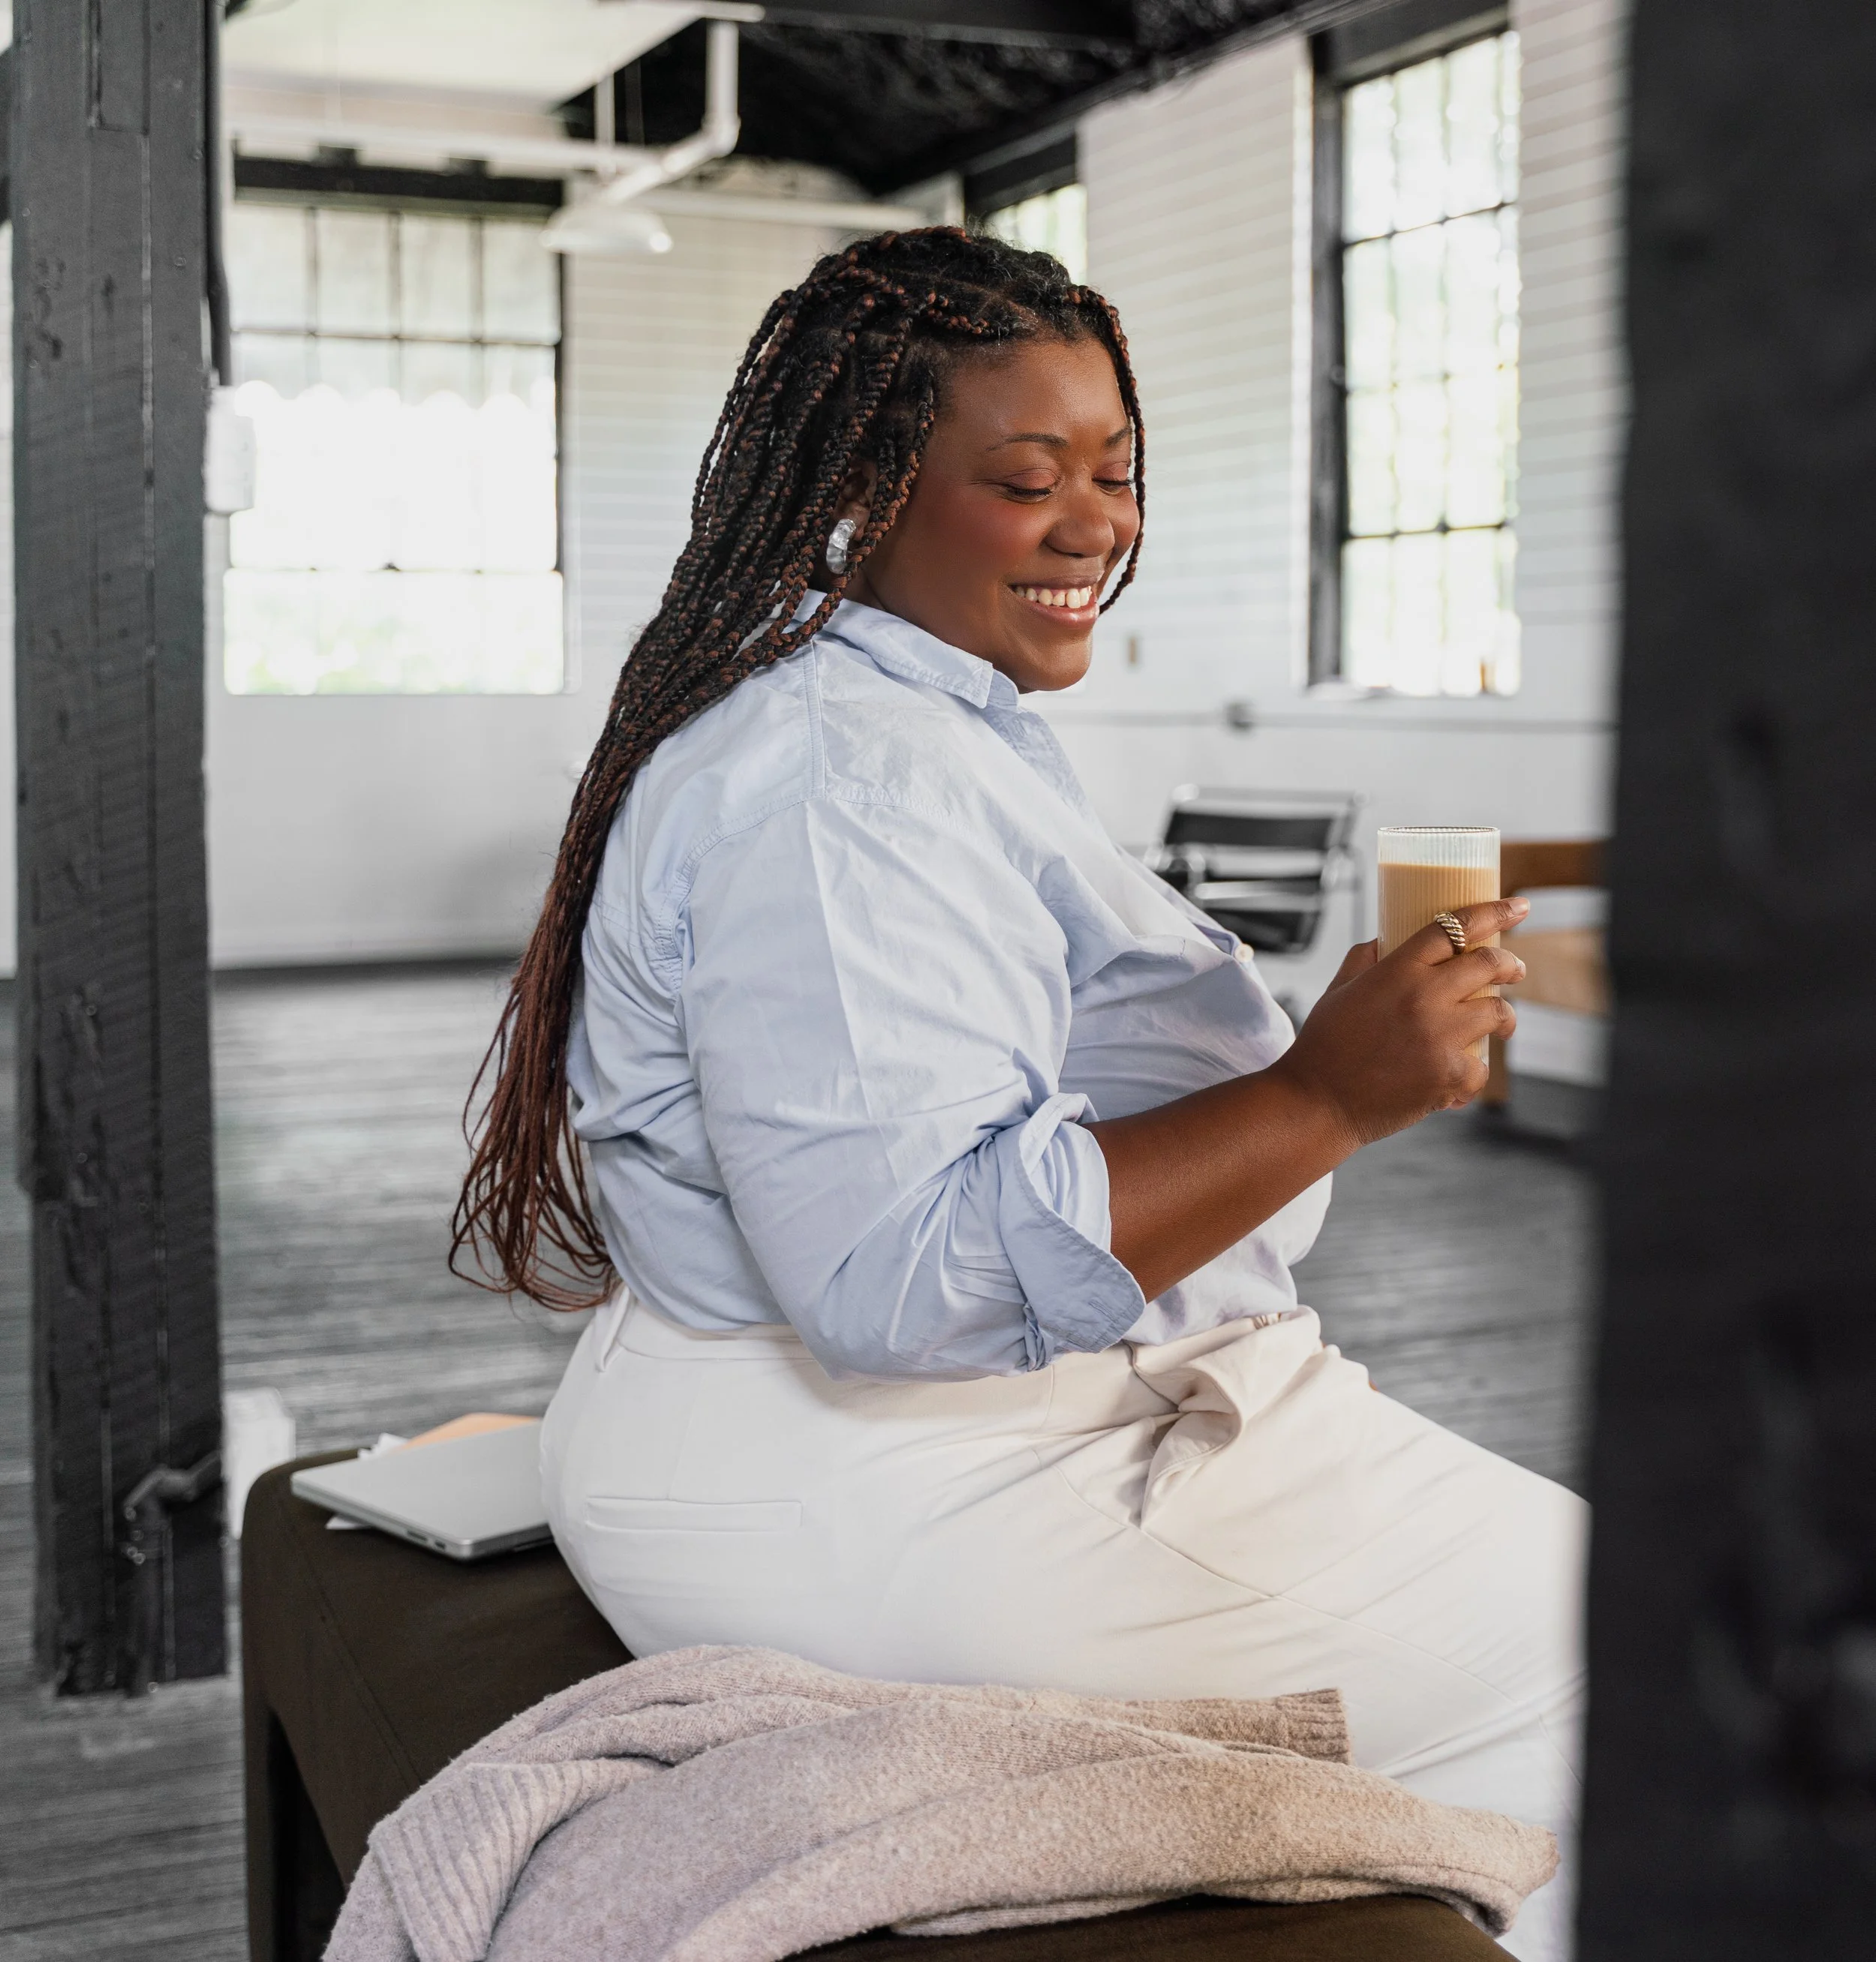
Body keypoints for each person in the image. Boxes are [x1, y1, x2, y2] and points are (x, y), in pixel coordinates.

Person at [455, 229, 1585, 1960]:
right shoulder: (843, 779)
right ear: (860, 485)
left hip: (828, 1434)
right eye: (1024, 478)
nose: (1093, 523)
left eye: (1116, 473)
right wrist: (1323, 1097)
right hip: (882, 1482)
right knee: (1647, 1634)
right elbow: (899, 1275)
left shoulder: (892, 715)